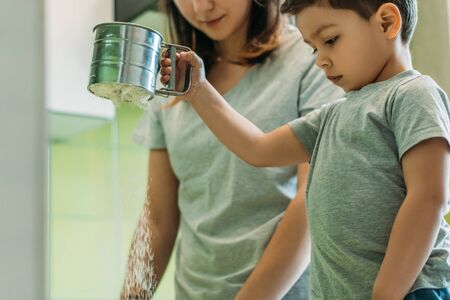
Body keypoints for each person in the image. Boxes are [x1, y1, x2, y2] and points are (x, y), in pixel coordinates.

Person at [160, 0, 450, 299]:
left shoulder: (413, 95)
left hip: (412, 291)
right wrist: (198, 90)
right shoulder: (332, 116)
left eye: (330, 41)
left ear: (387, 22)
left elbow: (429, 197)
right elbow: (258, 149)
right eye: (314, 48)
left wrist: (386, 292)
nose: (321, 60)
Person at [121, 0, 343, 299]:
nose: (201, 7)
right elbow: (157, 221)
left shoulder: (314, 61)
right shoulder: (171, 79)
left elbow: (311, 202)